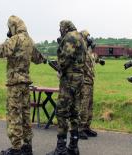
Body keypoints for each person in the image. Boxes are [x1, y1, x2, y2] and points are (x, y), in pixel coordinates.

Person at [0, 15, 47, 155]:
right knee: (26, 115)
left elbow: (3, 50)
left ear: (13, 26)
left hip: (14, 84)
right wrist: (45, 59)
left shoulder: (15, 39)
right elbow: (38, 58)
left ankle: (16, 148)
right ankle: (27, 146)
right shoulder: (29, 40)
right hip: (25, 84)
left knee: (14, 115)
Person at [47, 20, 86, 155]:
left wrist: (59, 66)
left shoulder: (70, 37)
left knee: (62, 112)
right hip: (80, 78)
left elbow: (65, 59)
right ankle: (73, 146)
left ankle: (61, 148)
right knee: (75, 112)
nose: (60, 31)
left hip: (69, 79)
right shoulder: (81, 37)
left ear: (64, 28)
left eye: (60, 29)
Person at [79, 30, 105, 139]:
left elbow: (94, 57)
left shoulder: (89, 52)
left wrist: (100, 61)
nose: (90, 39)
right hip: (84, 82)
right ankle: (80, 129)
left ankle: (86, 127)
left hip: (90, 82)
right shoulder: (80, 50)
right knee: (83, 106)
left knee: (89, 106)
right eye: (88, 37)